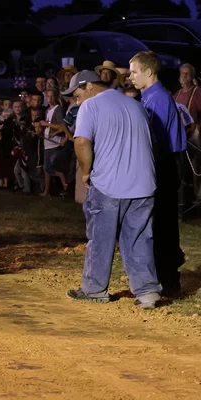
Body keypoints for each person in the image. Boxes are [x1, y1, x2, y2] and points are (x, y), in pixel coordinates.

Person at [62, 70, 162, 309]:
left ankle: (94, 289)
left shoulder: (90, 106)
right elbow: (153, 145)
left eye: (76, 95)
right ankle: (148, 292)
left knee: (100, 237)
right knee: (139, 238)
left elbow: (82, 142)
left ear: (88, 86)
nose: (77, 102)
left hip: (109, 184)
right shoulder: (134, 104)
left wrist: (85, 172)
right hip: (144, 184)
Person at [130, 51, 187, 298]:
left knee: (162, 222)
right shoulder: (150, 97)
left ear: (149, 72)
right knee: (161, 221)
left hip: (163, 163)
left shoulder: (158, 99)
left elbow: (155, 141)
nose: (130, 76)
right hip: (163, 161)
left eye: (134, 71)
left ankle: (169, 279)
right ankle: (168, 273)